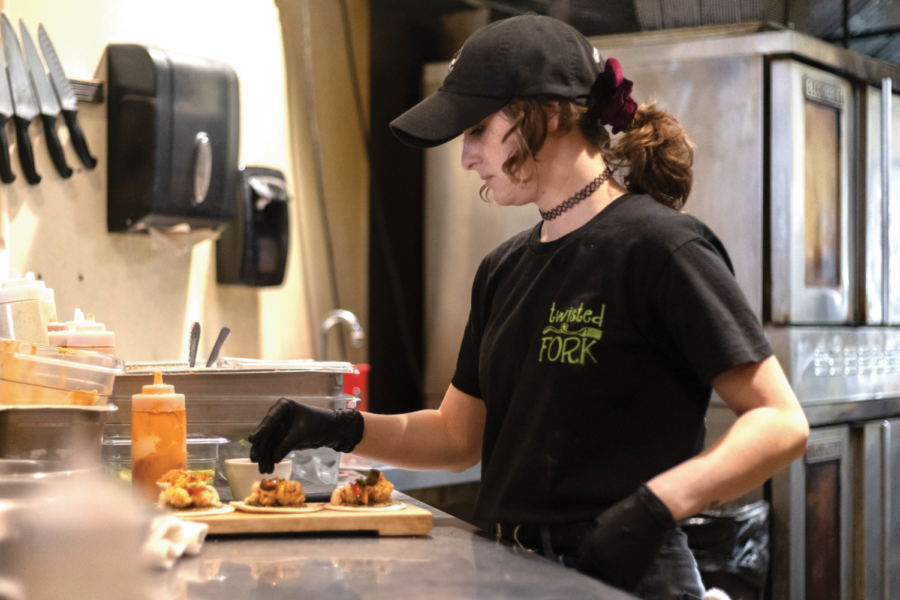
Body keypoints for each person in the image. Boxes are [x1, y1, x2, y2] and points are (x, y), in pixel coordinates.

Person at [249, 14, 809, 599]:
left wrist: (653, 507)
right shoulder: (502, 270)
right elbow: (454, 438)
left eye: (477, 130)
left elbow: (780, 422)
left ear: (547, 114)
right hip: (509, 573)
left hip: (625, 574)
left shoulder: (662, 248)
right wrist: (338, 428)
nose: (466, 158)